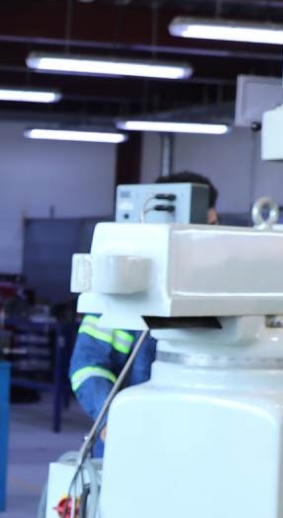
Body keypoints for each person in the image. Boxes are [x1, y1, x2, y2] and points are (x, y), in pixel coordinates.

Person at [67, 171, 217, 436]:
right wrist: (110, 422)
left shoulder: (225, 292)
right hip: (136, 436)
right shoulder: (128, 291)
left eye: (212, 224)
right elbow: (88, 365)